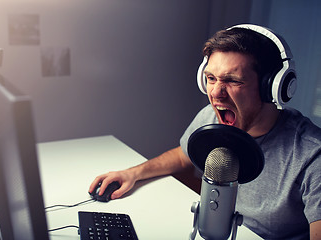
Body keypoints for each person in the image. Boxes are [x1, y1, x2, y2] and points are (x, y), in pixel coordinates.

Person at [88, 24, 321, 239]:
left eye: (233, 81)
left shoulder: (312, 155)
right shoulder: (211, 117)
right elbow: (182, 154)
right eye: (211, 78)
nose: (216, 93)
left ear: (271, 86)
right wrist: (133, 173)